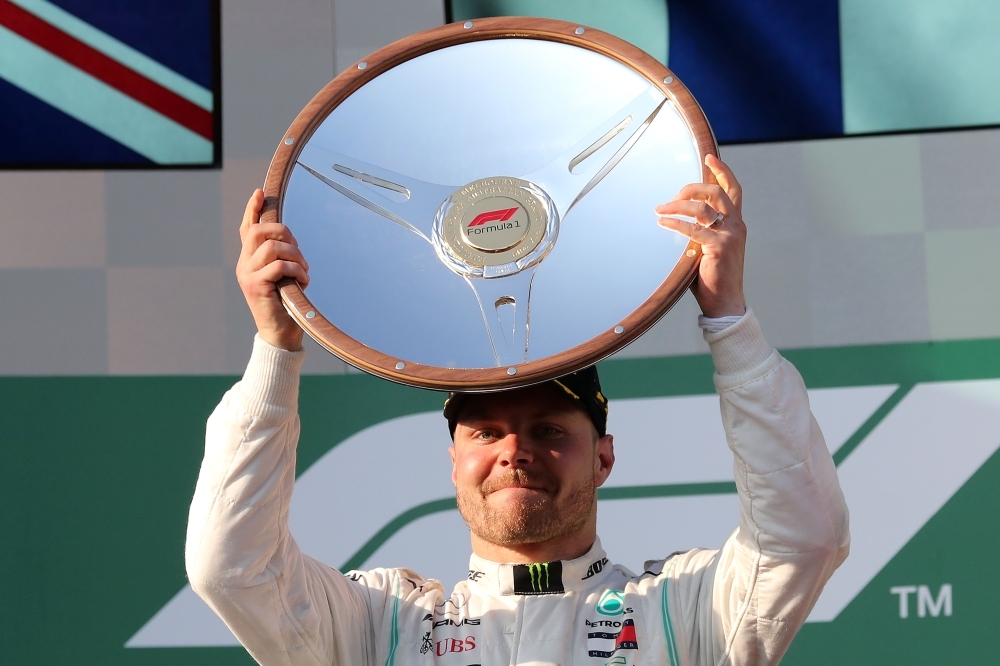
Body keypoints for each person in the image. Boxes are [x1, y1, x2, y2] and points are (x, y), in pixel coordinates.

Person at [186, 155, 849, 666]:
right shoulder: (380, 625)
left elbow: (804, 537)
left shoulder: (683, 613)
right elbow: (231, 568)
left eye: (548, 429)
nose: (514, 450)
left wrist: (728, 317)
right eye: (486, 431)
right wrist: (276, 347)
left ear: (604, 458)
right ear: (454, 464)